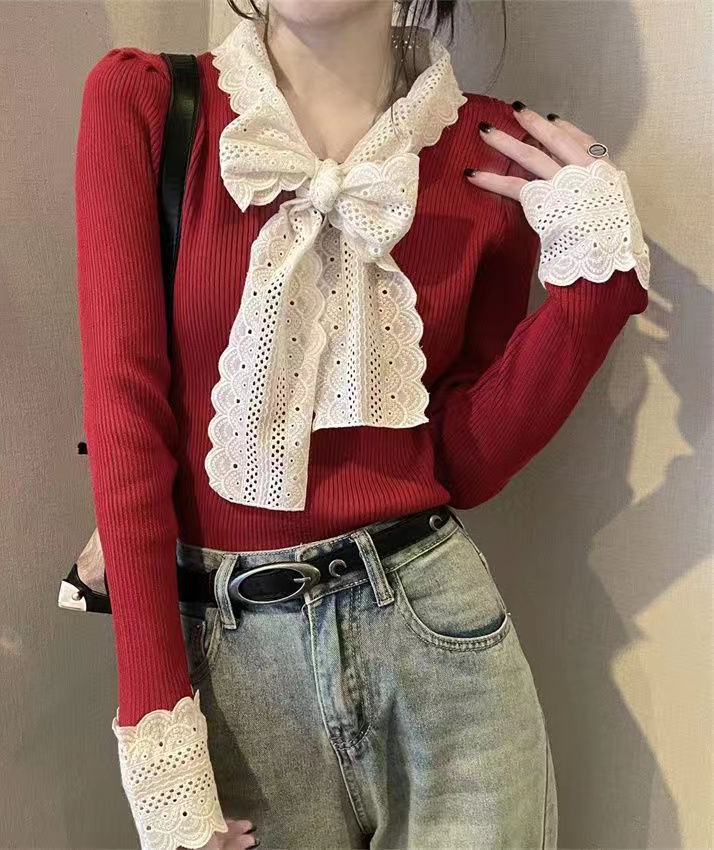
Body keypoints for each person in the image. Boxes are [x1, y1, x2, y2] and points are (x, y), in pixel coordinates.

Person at [73, 1, 650, 847]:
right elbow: (126, 422)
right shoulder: (148, 102)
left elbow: (461, 466)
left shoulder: (488, 148)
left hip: (440, 647)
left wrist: (596, 289)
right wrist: (157, 735)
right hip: (230, 670)